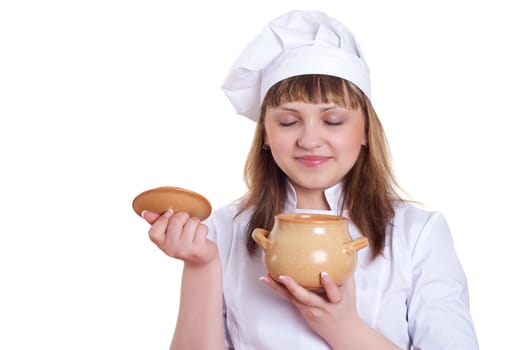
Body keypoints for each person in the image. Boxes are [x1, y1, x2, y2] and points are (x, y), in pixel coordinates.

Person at [142, 10, 479, 350]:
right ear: (265, 135)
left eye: (333, 120)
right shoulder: (223, 230)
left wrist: (343, 328)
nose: (310, 140)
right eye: (288, 122)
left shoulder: (417, 233)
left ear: (365, 131)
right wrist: (201, 266)